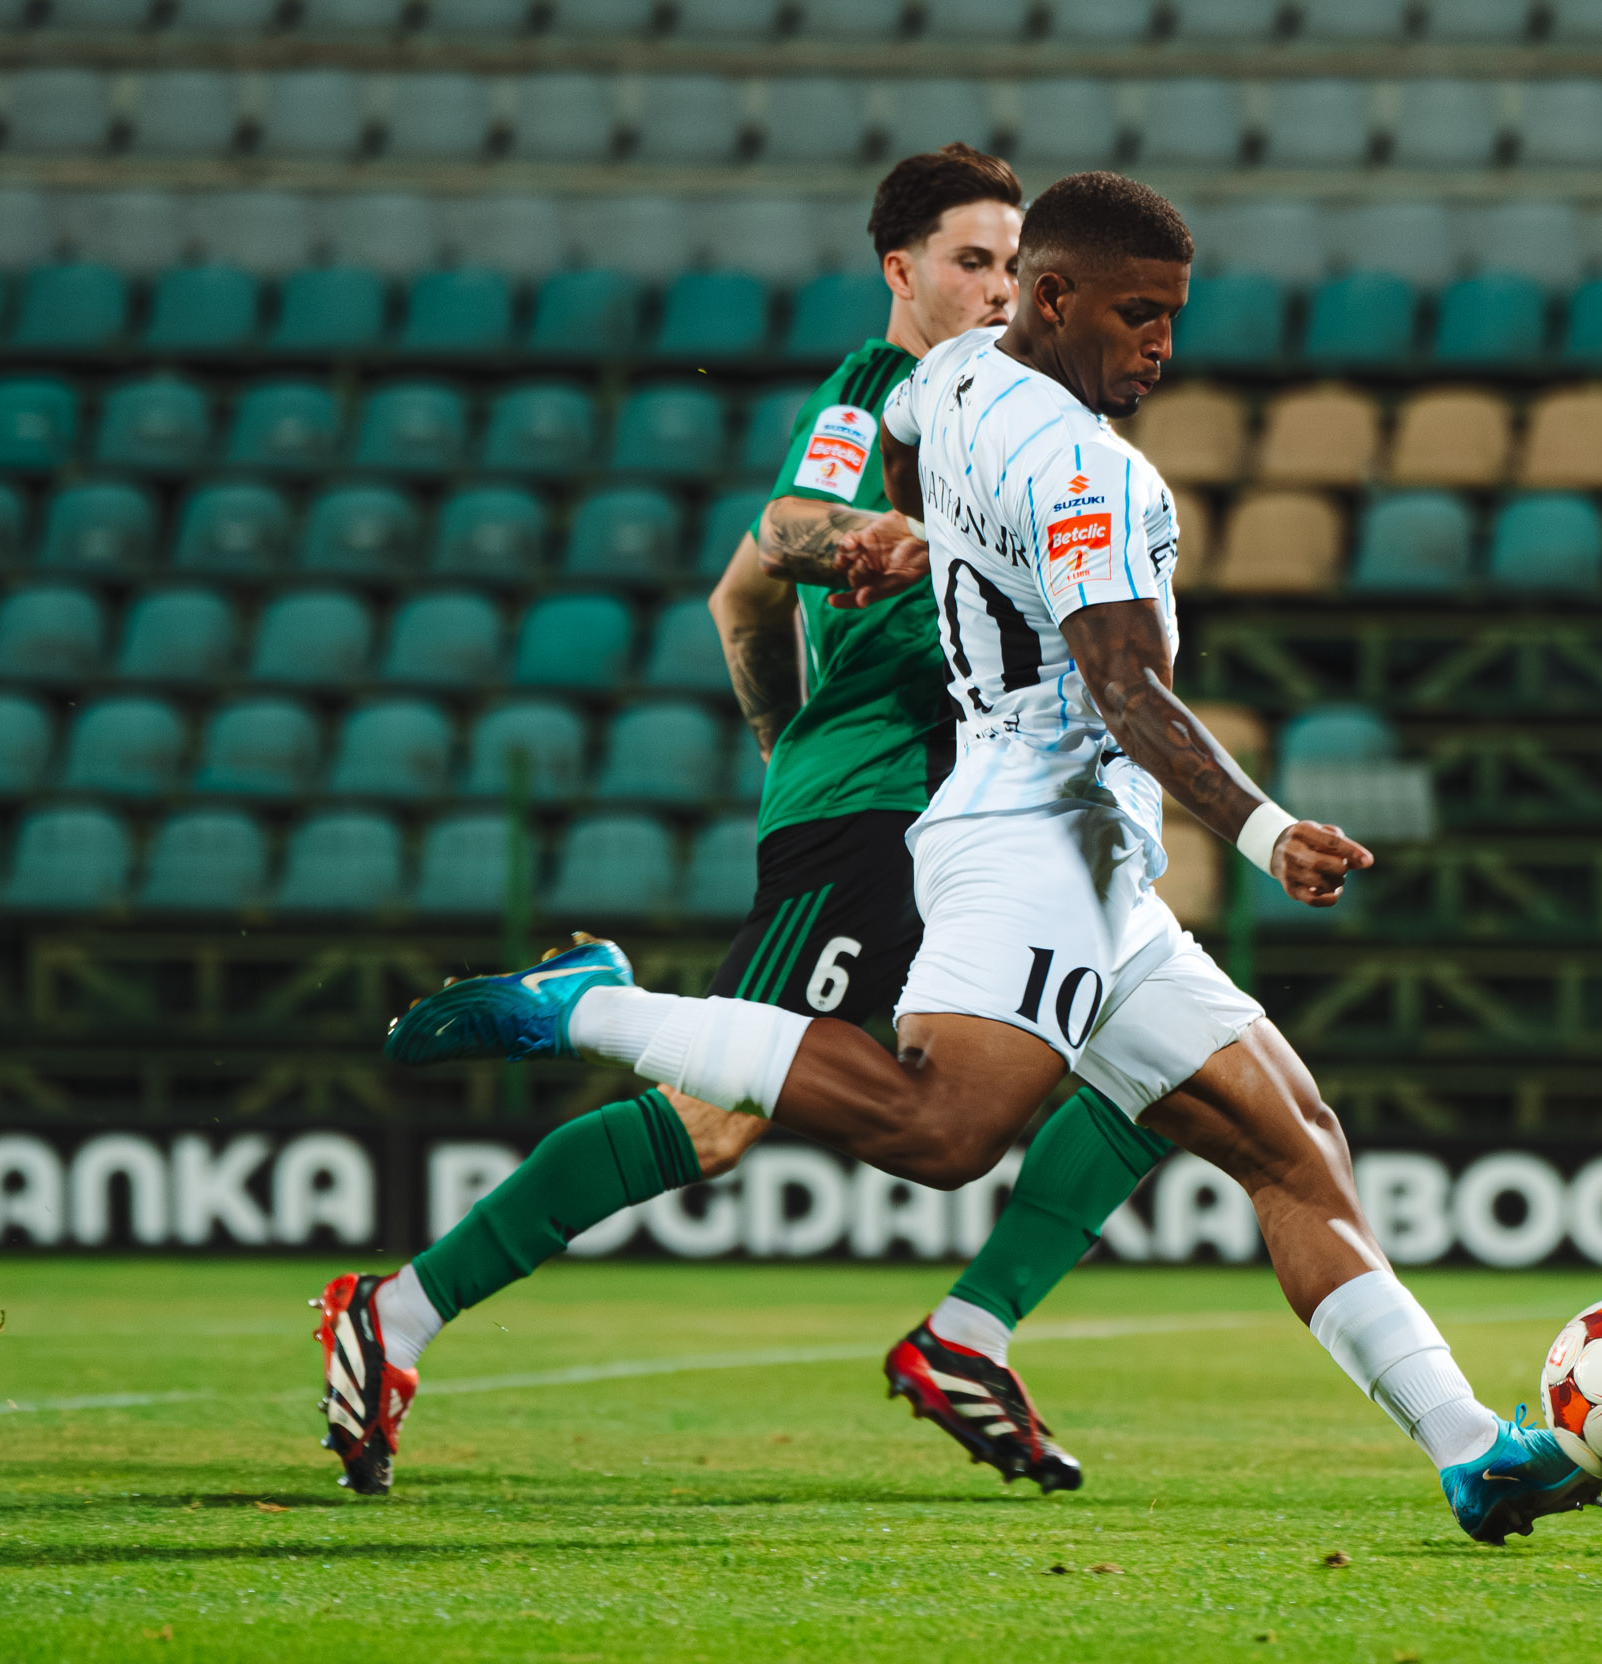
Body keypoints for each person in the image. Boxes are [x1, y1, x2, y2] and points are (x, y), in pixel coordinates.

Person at [379, 172, 1602, 1546]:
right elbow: (1128, 691)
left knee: (1295, 1143)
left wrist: (929, 538)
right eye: (1138, 316)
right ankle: (587, 1008)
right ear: (1055, 298)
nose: (1163, 345)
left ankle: (1470, 1452)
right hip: (1030, 832)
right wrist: (1268, 833)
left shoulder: (956, 375)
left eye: (1175, 316)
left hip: (1093, 856)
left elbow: (908, 435)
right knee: (943, 1131)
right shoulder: (1090, 470)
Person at [312, 146, 1164, 1500]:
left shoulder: (1014, 416)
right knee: (711, 1121)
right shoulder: (881, 392)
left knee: (1165, 1060)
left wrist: (778, 731)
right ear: (902, 273)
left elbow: (735, 603)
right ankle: (395, 1312)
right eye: (972, 262)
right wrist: (813, 739)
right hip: (885, 802)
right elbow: (787, 532)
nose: (1001, 288)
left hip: (997, 814)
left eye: (1016, 264)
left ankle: (971, 1334)